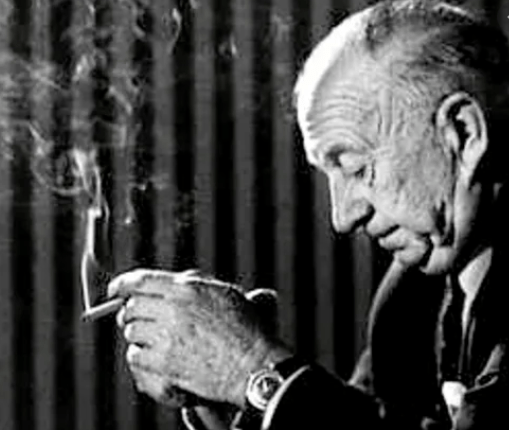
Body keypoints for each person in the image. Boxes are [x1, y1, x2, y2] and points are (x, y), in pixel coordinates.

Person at [107, 1, 509, 429]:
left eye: (358, 169)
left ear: (463, 132)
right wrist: (234, 399)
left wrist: (252, 370)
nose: (343, 217)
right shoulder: (408, 296)